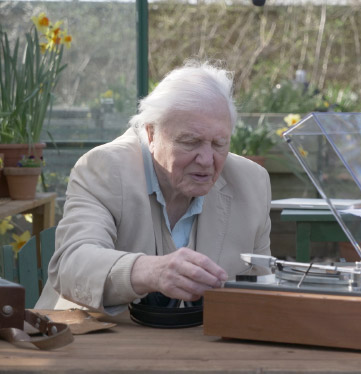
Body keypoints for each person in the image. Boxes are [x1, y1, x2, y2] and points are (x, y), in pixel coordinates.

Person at [36, 60, 272, 315]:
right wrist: (151, 272)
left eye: (219, 143)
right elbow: (72, 263)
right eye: (190, 142)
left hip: (203, 347)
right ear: (151, 134)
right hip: (88, 342)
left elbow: (264, 289)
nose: (206, 159)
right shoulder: (104, 169)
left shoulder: (252, 183)